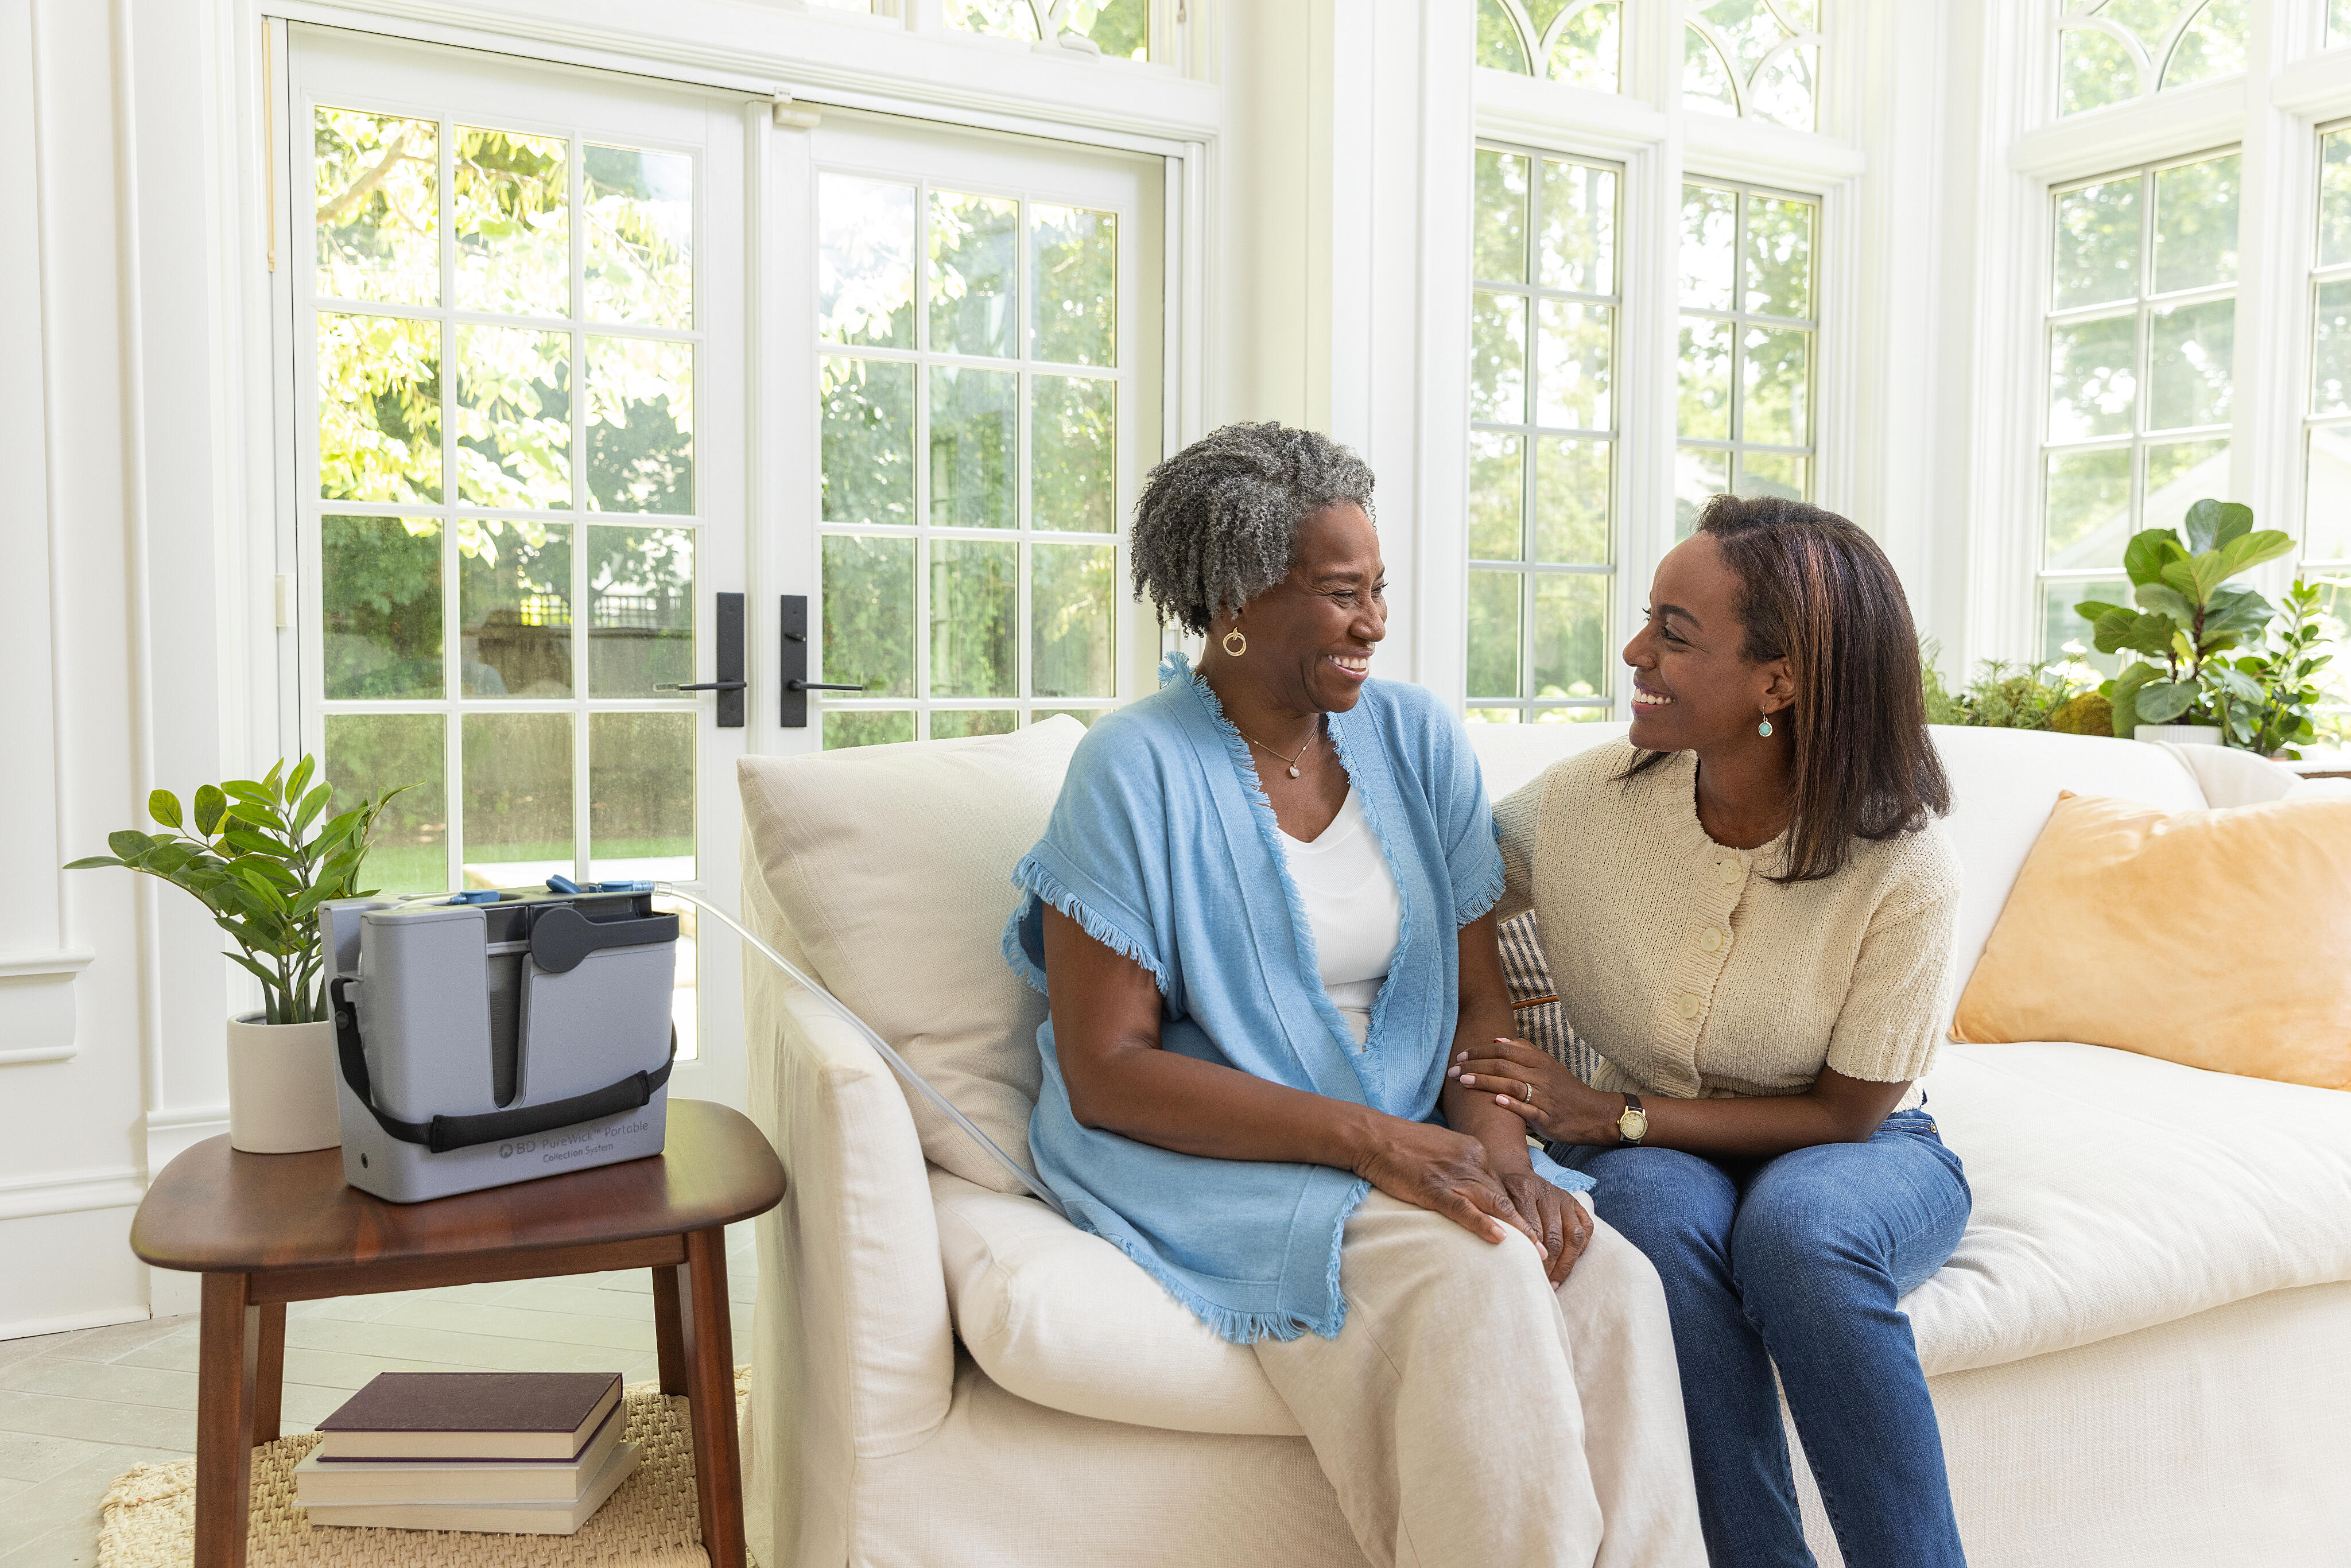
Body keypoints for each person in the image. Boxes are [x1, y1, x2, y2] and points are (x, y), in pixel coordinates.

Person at [1003, 422, 1704, 1568]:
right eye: (1341, 595)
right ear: (1235, 596)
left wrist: (1504, 1155)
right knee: (1478, 1274)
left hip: (1417, 1126)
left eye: (1378, 589)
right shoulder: (1130, 770)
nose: (1374, 622)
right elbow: (1107, 1069)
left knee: (1611, 1281)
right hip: (1222, 1141)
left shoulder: (1415, 738)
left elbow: (1481, 1002)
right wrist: (1374, 1145)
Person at [1456, 492, 1970, 1568]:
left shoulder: (1902, 858)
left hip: (1859, 1150)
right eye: (1649, 619)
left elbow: (1842, 1111)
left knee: (1801, 1233)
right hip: (1651, 1146)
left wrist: (1612, 1111)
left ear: (1778, 682)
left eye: (1675, 635)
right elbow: (1445, 886)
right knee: (1650, 1202)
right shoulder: (1588, 802)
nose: (1636, 650)